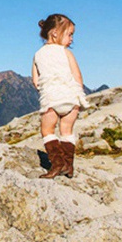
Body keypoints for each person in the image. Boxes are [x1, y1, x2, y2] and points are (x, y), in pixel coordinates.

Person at [31, 13, 88, 179]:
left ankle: (56, 164)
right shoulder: (66, 53)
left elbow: (36, 80)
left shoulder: (38, 55)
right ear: (55, 33)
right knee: (66, 130)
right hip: (71, 97)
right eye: (69, 34)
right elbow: (77, 76)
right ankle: (69, 166)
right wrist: (78, 94)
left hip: (51, 99)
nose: (71, 39)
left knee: (47, 130)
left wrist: (46, 90)